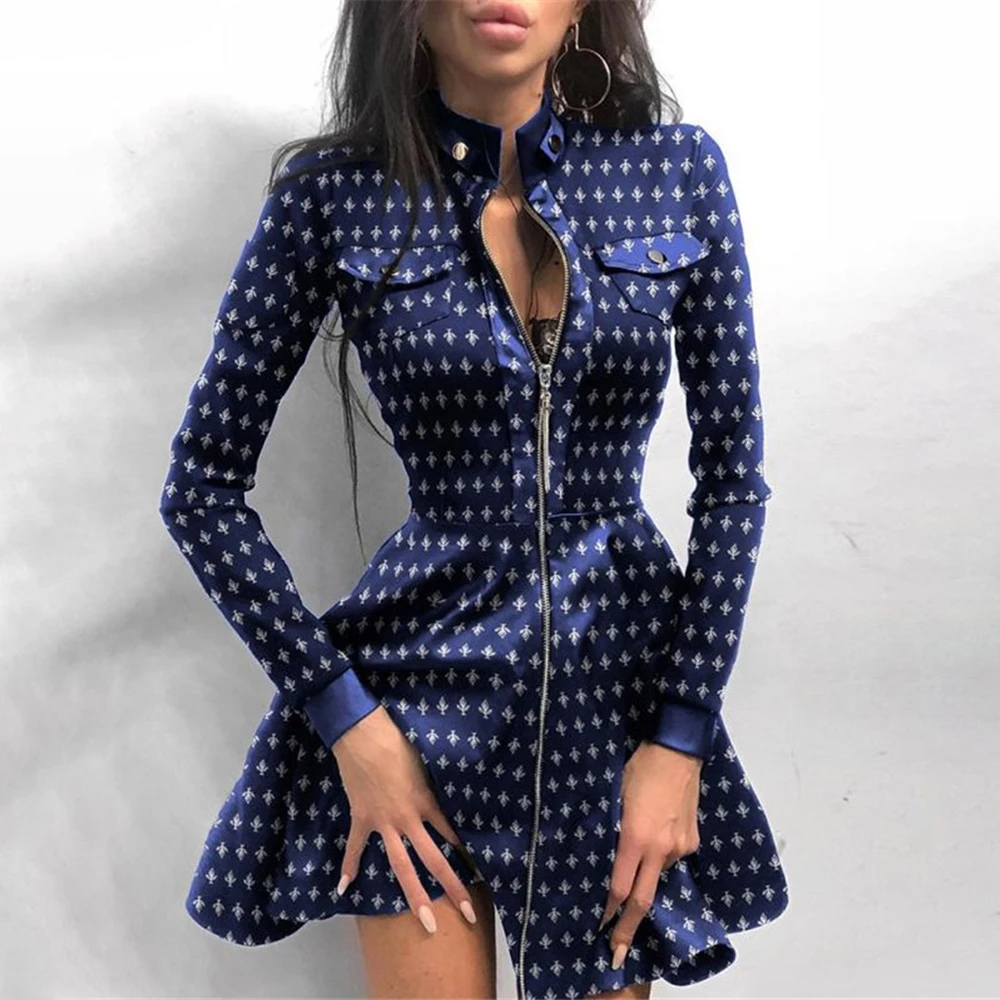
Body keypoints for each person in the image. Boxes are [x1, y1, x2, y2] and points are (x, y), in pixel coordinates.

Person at [157, 1, 789, 997]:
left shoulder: (672, 172)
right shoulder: (335, 196)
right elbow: (201, 489)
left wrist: (680, 738)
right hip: (408, 705)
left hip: (613, 698)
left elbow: (732, 485)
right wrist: (348, 722)